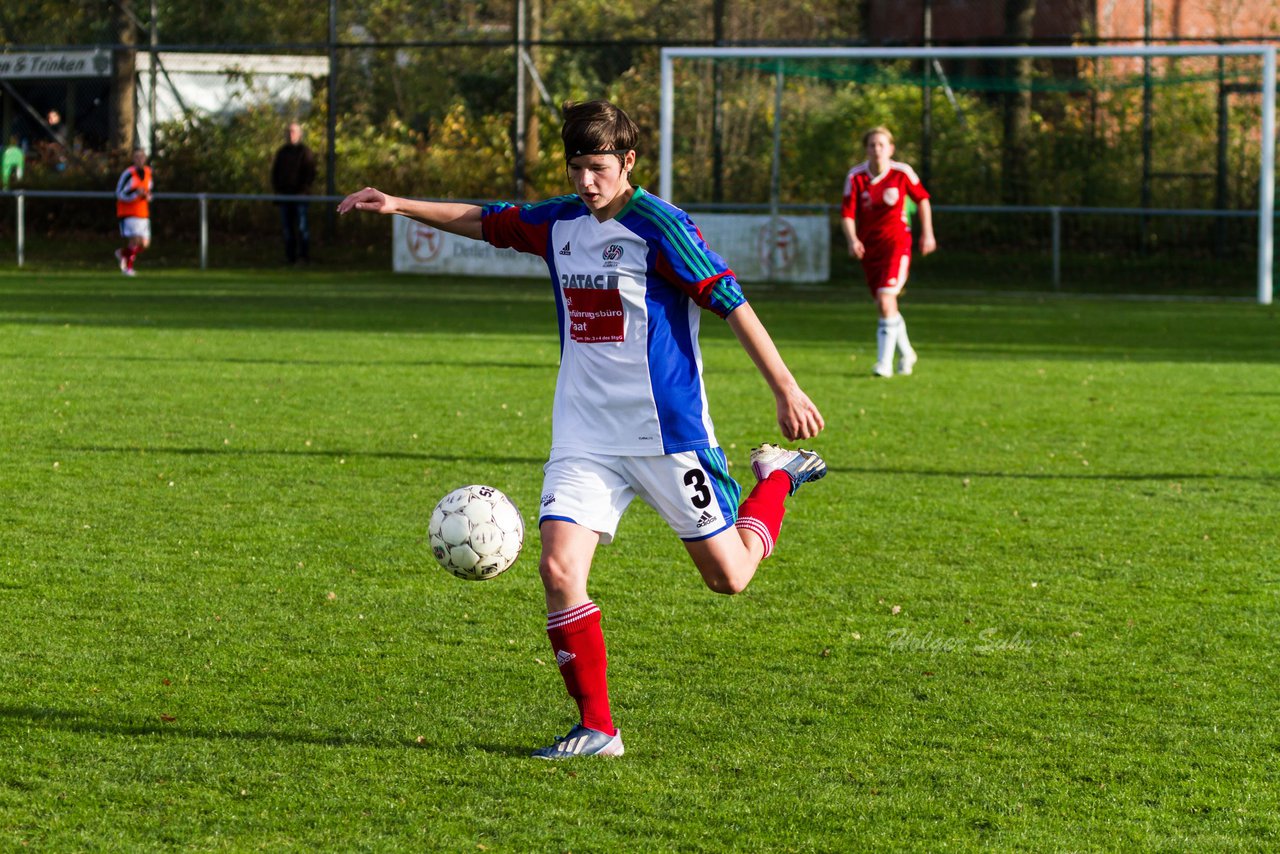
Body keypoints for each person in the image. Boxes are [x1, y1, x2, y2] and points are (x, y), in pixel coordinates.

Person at [339, 99, 827, 759]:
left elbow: (732, 302)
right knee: (558, 569)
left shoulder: (661, 226)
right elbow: (486, 220)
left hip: (667, 433)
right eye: (576, 168)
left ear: (627, 162)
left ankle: (776, 478)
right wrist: (398, 203)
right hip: (584, 438)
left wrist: (786, 387)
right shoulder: (559, 221)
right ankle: (597, 728)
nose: (586, 182)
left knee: (730, 577)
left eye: (598, 168)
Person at [841, 126, 936, 378]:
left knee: (885, 299)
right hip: (870, 248)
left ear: (891, 148)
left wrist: (927, 233)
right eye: (872, 145)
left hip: (897, 244)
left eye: (881, 144)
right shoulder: (855, 177)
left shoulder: (902, 173)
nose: (877, 150)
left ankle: (883, 363)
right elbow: (848, 214)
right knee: (885, 304)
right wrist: (852, 240)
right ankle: (907, 353)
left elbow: (923, 200)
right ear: (866, 149)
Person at [271, 121, 317, 264]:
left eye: (294, 131)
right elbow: (275, 173)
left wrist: (302, 191)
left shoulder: (305, 152)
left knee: (302, 228)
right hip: (285, 197)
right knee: (287, 229)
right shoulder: (282, 152)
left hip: (300, 197)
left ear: (299, 134)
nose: (291, 135)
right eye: (289, 131)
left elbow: (310, 174)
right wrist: (279, 190)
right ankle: (290, 258)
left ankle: (303, 257)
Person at [114, 148, 153, 276]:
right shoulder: (128, 174)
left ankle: (122, 253)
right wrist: (136, 193)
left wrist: (147, 196)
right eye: (137, 157)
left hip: (143, 212)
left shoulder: (148, 172)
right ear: (133, 159)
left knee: (144, 244)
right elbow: (120, 193)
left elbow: (148, 191)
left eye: (142, 157)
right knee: (135, 240)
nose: (140, 159)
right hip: (129, 212)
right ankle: (128, 268)